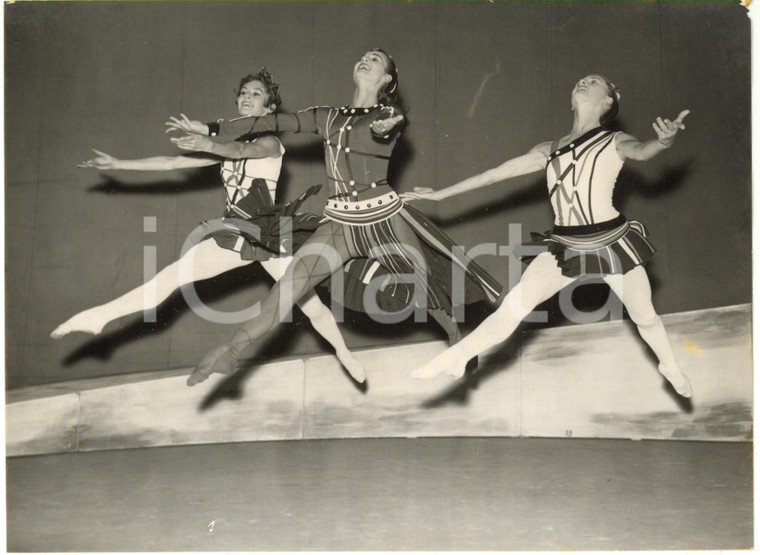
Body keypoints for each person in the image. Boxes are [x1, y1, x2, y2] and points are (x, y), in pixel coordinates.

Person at [166, 49, 503, 386]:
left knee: (423, 283)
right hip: (339, 224)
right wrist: (210, 129)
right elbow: (272, 122)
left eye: (376, 59)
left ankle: (457, 341)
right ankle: (231, 352)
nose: (365, 60)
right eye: (363, 56)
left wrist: (390, 125)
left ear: (386, 79)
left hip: (384, 218)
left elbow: (391, 122)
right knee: (286, 291)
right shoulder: (327, 116)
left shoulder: (385, 112)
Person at [51, 68, 367, 383]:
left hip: (269, 235)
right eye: (244, 93)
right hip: (234, 234)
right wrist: (118, 164)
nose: (247, 98)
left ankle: (343, 353)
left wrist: (208, 143)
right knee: (172, 276)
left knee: (308, 302)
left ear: (269, 110)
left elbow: (242, 150)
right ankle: (100, 317)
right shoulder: (224, 147)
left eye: (256, 94)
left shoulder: (271, 143)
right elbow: (171, 162)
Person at [405, 74, 692, 398]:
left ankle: (669, 365)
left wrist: (664, 142)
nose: (583, 82)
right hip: (566, 246)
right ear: (572, 100)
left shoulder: (613, 140)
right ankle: (458, 356)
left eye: (594, 81)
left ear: (608, 100)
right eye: (580, 81)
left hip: (612, 243)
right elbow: (492, 175)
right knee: (513, 306)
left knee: (645, 317)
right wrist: (440, 195)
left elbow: (641, 151)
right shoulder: (549, 150)